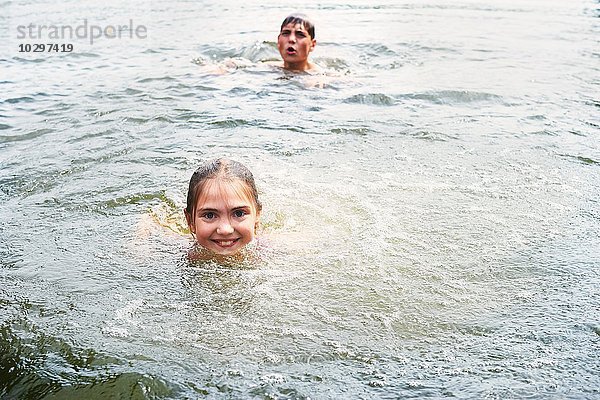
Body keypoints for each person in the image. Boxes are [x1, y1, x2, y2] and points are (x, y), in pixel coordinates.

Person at [184, 158, 262, 261]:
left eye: (239, 213)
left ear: (257, 216)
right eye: (209, 215)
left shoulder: (271, 254)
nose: (225, 230)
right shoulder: (181, 254)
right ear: (190, 221)